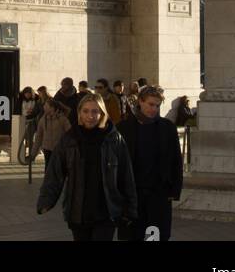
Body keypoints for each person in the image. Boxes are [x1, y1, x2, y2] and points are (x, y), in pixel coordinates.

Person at [37, 91, 136, 242]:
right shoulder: (70, 138)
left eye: (95, 111)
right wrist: (46, 200)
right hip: (78, 211)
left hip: (106, 211)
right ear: (79, 113)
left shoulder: (114, 138)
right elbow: (55, 172)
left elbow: (126, 175)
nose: (90, 116)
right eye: (86, 111)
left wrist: (130, 208)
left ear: (102, 113)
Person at [118, 85, 183, 242]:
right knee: (132, 235)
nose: (154, 109)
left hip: (158, 193)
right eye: (150, 104)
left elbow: (176, 160)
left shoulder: (167, 128)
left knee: (155, 236)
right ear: (140, 102)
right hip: (132, 195)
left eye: (157, 105)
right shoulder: (123, 128)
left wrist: (174, 190)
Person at [33, 98, 70, 170]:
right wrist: (33, 153)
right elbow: (38, 137)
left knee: (59, 169)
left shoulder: (62, 119)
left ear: (52, 108)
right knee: (48, 168)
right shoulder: (43, 120)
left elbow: (70, 133)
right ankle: (48, 181)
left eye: (46, 106)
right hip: (47, 148)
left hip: (59, 149)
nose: (44, 107)